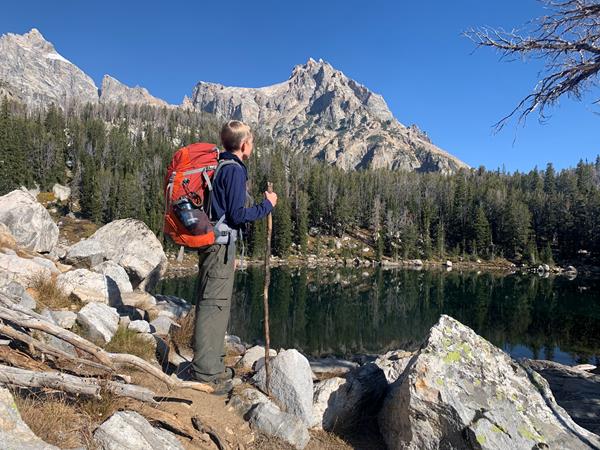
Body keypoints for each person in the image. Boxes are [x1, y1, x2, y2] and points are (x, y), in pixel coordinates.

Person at [192, 120, 277, 390]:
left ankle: (214, 364)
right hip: (220, 245)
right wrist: (267, 205)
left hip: (217, 244)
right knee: (213, 304)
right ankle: (206, 374)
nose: (252, 146)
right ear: (244, 145)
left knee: (216, 303)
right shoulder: (235, 170)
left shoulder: (221, 165)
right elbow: (238, 215)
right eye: (251, 142)